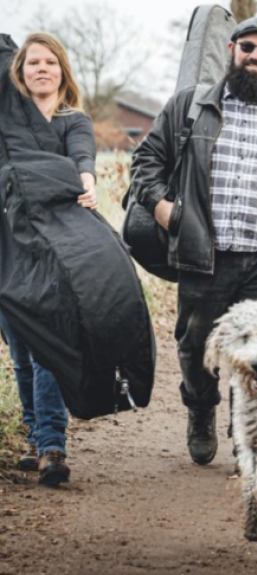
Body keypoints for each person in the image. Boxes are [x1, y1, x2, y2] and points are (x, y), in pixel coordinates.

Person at [131, 16, 257, 466]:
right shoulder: (190, 106)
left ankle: (246, 424)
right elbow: (146, 160)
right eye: (248, 47)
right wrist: (165, 210)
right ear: (232, 49)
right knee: (195, 342)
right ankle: (201, 409)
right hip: (204, 252)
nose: (255, 56)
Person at [2, 32, 98, 486]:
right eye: (32, 62)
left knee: (45, 349)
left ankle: (52, 445)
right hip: (10, 248)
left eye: (50, 62)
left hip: (57, 251)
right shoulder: (9, 122)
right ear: (19, 72)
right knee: (21, 352)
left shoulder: (71, 120)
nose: (41, 68)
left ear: (62, 70)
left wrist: (86, 181)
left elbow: (82, 156)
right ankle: (34, 438)